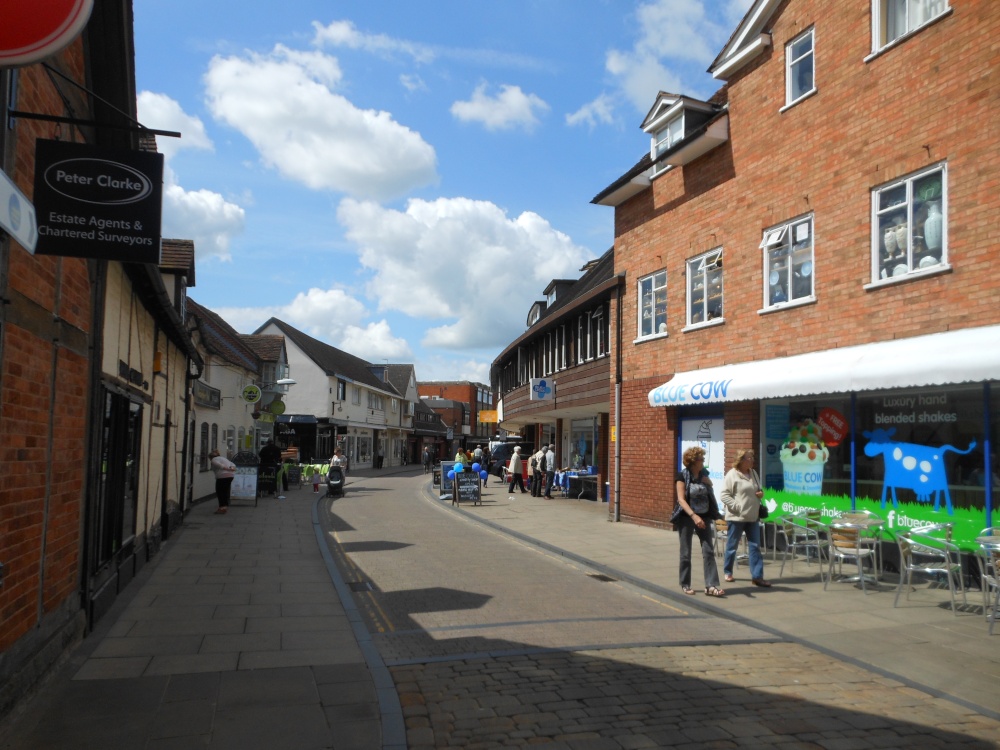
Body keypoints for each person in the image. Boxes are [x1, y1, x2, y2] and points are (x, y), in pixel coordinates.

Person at [674, 447, 724, 596]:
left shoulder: (704, 475)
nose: (703, 462)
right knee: (685, 552)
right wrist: (694, 516)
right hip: (686, 518)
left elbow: (709, 495)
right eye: (701, 459)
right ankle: (685, 583)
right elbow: (681, 500)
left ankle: (711, 585)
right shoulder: (682, 476)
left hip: (705, 516)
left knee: (708, 550)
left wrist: (710, 483)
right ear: (693, 461)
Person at [720, 448, 770, 587]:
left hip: (753, 516)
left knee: (755, 547)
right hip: (737, 518)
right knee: (732, 546)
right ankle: (728, 571)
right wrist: (737, 507)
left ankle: (757, 577)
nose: (752, 460)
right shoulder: (732, 474)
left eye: (752, 458)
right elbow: (724, 495)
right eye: (749, 458)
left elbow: (758, 490)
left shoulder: (753, 473)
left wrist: (761, 494)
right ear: (741, 460)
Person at [209, 448, 236, 515]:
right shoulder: (224, 458)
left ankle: (222, 508)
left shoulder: (213, 459)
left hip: (222, 477)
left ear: (210, 457)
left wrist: (227, 469)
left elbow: (220, 466)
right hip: (230, 476)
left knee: (220, 492)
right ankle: (224, 506)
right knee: (225, 491)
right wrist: (231, 469)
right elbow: (233, 465)